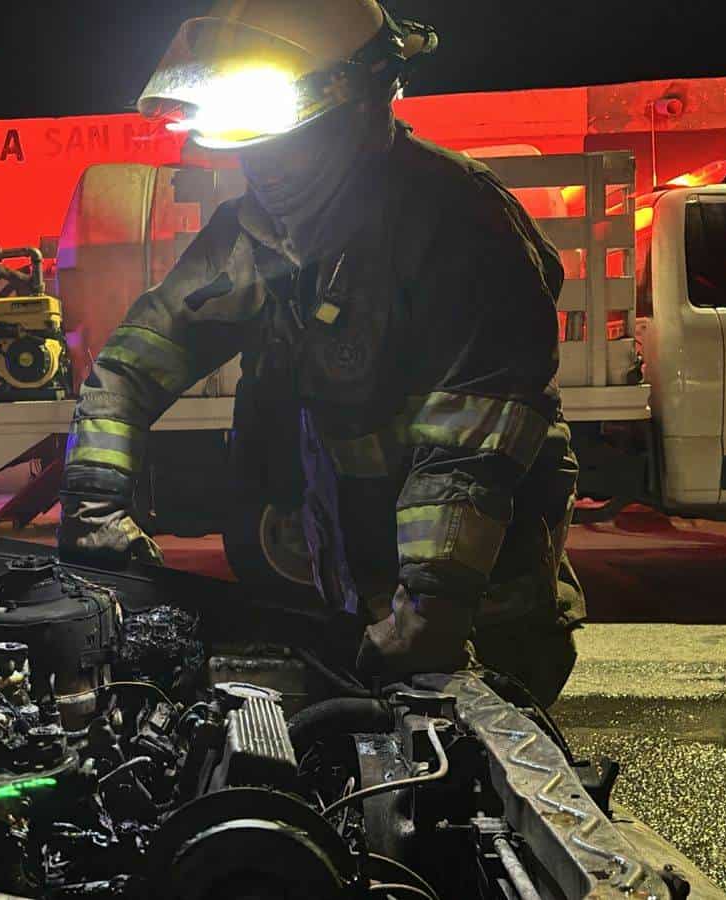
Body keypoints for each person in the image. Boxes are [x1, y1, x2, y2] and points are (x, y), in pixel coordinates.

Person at [56, 0, 582, 706]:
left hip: (485, 606)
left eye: (286, 142)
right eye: (250, 145)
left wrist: (426, 615)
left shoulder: (462, 228)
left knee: (467, 793)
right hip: (357, 591)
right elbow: (133, 364)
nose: (261, 168)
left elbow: (466, 454)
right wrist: (96, 503)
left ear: (361, 111)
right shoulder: (261, 233)